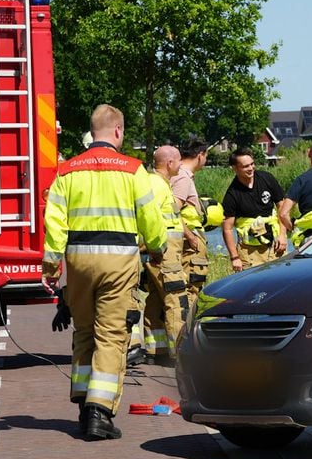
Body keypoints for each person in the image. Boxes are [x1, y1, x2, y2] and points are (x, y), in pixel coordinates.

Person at [42, 105, 165, 440]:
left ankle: (83, 402)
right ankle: (99, 412)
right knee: (111, 335)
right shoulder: (133, 170)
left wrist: (51, 267)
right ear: (118, 131)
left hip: (79, 261)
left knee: (83, 332)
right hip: (119, 260)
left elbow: (54, 224)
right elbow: (150, 219)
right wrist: (156, 247)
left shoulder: (66, 172)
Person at [142, 145, 188, 363]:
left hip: (161, 251)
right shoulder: (157, 186)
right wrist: (156, 248)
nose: (181, 164)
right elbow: (151, 220)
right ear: (170, 163)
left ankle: (156, 349)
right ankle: (179, 353)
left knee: (154, 300)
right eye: (179, 161)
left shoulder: (157, 184)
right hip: (164, 252)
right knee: (176, 299)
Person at [221, 148, 287, 271]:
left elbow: (282, 209)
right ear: (235, 169)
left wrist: (283, 235)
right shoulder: (232, 194)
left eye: (252, 164)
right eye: (245, 166)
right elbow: (227, 229)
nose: (251, 168)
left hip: (275, 245)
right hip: (248, 251)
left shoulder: (267, 179)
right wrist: (235, 258)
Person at [171, 139, 210, 308]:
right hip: (188, 245)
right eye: (206, 156)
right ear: (200, 155)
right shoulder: (182, 177)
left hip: (185, 242)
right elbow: (172, 210)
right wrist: (190, 235)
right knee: (191, 288)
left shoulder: (178, 174)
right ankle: (186, 330)